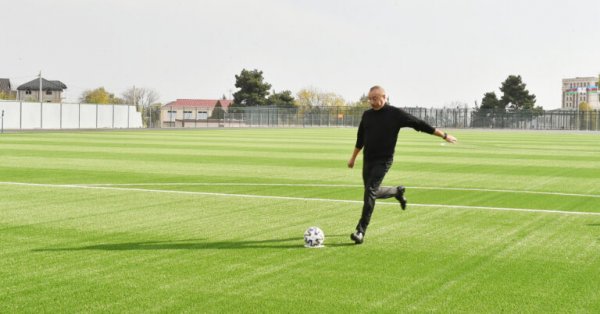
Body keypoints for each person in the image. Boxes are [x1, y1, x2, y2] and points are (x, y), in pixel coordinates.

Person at [348, 86, 457, 244]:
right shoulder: (367, 115)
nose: (371, 101)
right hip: (368, 160)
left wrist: (444, 135)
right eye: (369, 99)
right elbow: (360, 139)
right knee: (371, 192)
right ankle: (397, 192)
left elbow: (419, 124)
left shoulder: (395, 114)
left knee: (370, 191)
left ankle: (360, 231)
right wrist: (353, 158)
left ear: (384, 97)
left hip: (383, 160)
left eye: (374, 98)